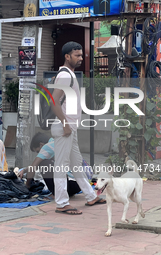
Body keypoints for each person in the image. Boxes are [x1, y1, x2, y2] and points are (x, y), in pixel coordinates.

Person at [50, 42, 106, 215]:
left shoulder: (70, 75)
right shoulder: (65, 75)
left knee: (76, 164)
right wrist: (66, 125)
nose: (81, 58)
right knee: (61, 165)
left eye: (81, 55)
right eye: (77, 55)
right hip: (64, 127)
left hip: (69, 128)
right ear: (67, 56)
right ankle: (61, 203)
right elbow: (54, 101)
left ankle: (91, 196)